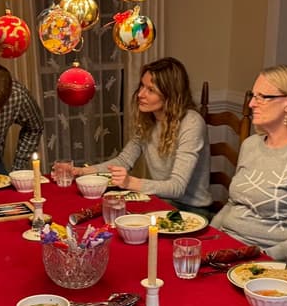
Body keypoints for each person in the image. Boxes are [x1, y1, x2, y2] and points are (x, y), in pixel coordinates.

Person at [210, 65, 287, 261]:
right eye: (252, 96)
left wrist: (260, 257)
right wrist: (210, 238)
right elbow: (233, 204)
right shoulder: (250, 145)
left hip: (270, 262)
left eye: (261, 97)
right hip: (230, 249)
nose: (251, 104)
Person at [73, 57, 212, 214]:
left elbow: (177, 187)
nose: (140, 94)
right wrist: (80, 171)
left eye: (150, 90)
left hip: (191, 210)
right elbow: (123, 161)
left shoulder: (191, 123)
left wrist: (130, 182)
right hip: (160, 202)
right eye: (142, 86)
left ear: (170, 95)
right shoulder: (150, 119)